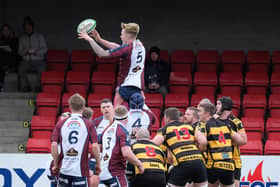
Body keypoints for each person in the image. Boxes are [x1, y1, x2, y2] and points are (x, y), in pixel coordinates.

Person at [78, 23, 146, 107]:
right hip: (138, 86)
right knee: (140, 112)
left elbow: (101, 53)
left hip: (125, 85)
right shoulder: (139, 45)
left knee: (116, 112)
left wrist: (90, 39)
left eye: (122, 34)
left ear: (128, 35)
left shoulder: (127, 48)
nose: (121, 37)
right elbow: (119, 48)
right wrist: (99, 40)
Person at [51, 93, 101, 187]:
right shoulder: (88, 124)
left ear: (70, 107)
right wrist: (98, 164)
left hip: (64, 169)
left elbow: (54, 145)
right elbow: (95, 146)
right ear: (83, 107)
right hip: (80, 171)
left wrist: (56, 164)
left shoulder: (61, 124)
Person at [152, 107, 208, 187]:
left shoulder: (164, 130)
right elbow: (203, 141)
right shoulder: (190, 127)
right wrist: (199, 150)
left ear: (167, 118)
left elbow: (153, 145)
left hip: (182, 162)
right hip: (198, 161)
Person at [197, 102, 243, 187]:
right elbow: (240, 140)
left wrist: (201, 149)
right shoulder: (226, 124)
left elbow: (203, 142)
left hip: (213, 164)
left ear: (207, 113)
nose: (198, 113)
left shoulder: (204, 126)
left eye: (199, 111)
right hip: (228, 165)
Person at [98, 105, 144, 187]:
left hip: (102, 172)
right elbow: (126, 153)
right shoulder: (122, 130)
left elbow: (100, 149)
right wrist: (139, 164)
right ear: (127, 119)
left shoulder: (106, 129)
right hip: (115, 172)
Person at [216, 96, 247, 187]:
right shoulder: (213, 120)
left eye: (219, 104)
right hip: (216, 159)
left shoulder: (236, 121)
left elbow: (244, 141)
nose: (216, 106)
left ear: (225, 106)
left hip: (233, 160)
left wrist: (228, 140)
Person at [89, 99, 114, 187]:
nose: (106, 109)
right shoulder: (95, 122)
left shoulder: (118, 122)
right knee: (91, 179)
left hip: (112, 158)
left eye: (108, 107)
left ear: (112, 107)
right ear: (100, 109)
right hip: (97, 157)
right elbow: (93, 143)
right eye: (103, 107)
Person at [18, 16, 47, 92]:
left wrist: (36, 52)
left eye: (29, 26)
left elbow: (45, 49)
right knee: (21, 69)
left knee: (42, 69)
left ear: (32, 27)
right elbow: (19, 52)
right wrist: (25, 52)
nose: (28, 28)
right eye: (26, 27)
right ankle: (25, 86)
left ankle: (38, 86)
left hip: (38, 59)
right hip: (26, 60)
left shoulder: (39, 36)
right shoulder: (22, 38)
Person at [0, 24, 20, 89]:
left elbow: (18, 53)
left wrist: (11, 50)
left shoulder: (15, 39)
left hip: (11, 61)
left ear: (10, 31)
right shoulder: (1, 40)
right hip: (3, 61)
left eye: (7, 30)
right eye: (4, 30)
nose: (5, 31)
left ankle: (1, 84)